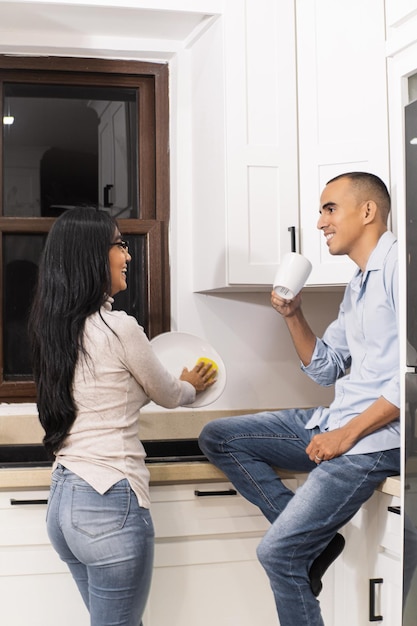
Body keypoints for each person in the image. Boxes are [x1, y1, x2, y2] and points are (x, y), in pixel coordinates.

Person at [198, 172, 400, 626]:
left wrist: (344, 436)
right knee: (220, 437)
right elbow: (327, 366)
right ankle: (322, 543)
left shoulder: (400, 270)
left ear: (368, 211)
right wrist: (293, 315)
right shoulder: (360, 283)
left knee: (279, 555)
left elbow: (413, 377)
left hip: (373, 440)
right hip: (337, 421)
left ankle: (303, 546)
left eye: (330, 208)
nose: (320, 221)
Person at [29, 207, 216, 626]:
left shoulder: (54, 330)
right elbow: (168, 394)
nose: (127, 255)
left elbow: (110, 396)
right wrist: (191, 385)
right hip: (108, 500)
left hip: (63, 501)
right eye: (119, 244)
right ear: (92, 255)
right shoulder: (119, 328)